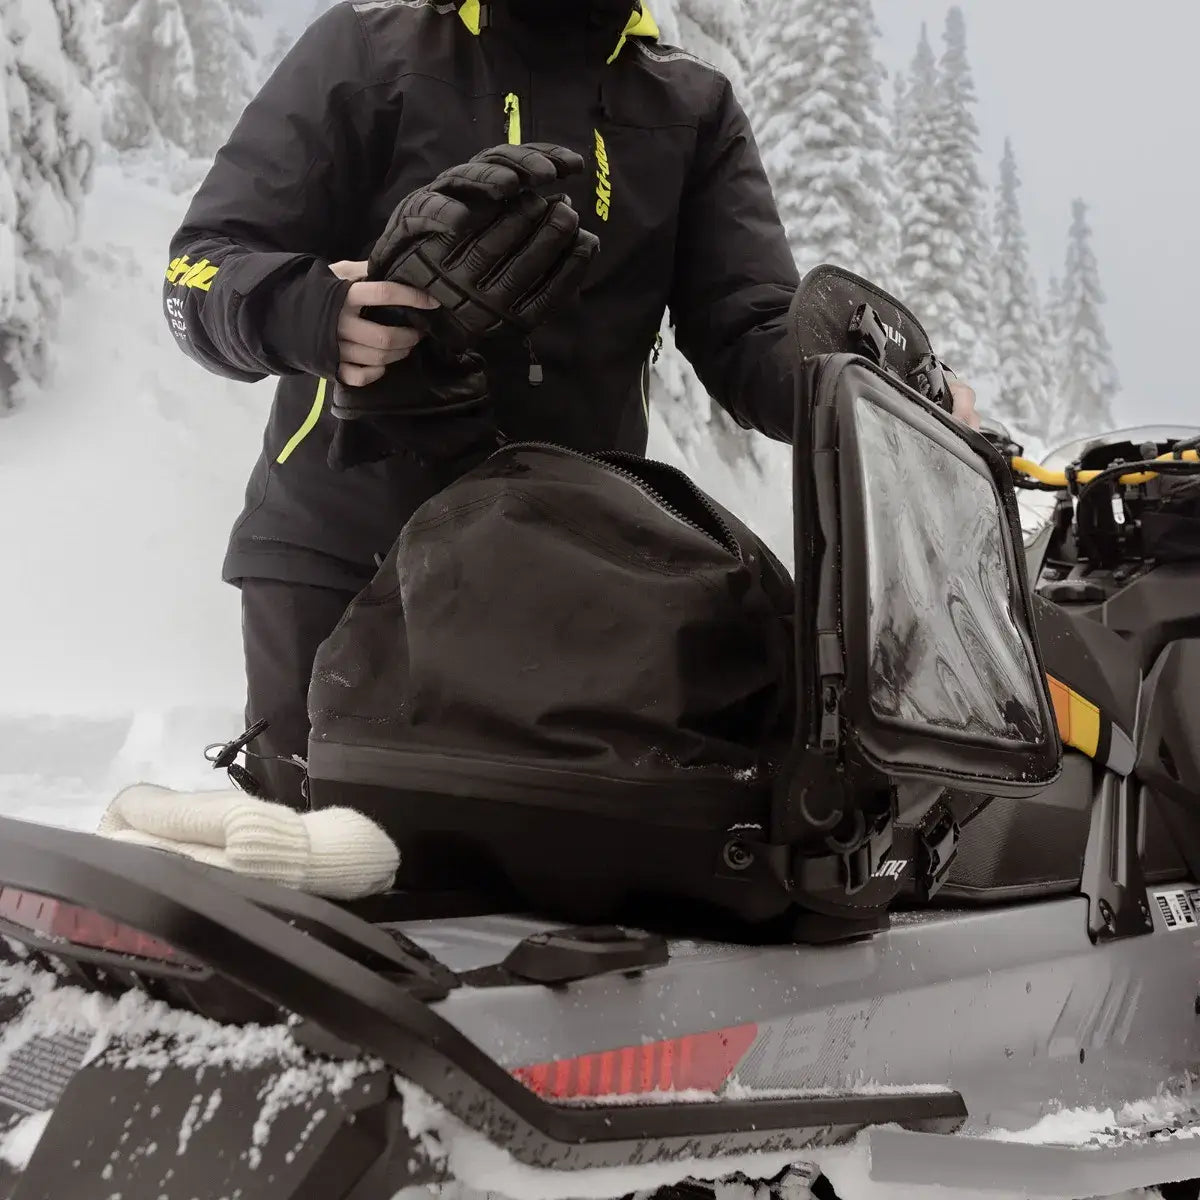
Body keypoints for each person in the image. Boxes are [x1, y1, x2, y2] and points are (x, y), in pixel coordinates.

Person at [164, 0, 979, 808]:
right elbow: (200, 268)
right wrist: (316, 312)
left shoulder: (688, 108)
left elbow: (750, 333)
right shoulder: (375, 49)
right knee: (322, 890)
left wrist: (877, 392)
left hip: (565, 578)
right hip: (340, 558)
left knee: (534, 899)